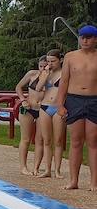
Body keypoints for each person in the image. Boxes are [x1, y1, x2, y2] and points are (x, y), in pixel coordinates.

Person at [58, 25, 97, 191]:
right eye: (82, 37)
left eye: (88, 37)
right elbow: (64, 81)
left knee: (93, 142)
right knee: (75, 142)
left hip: (94, 99)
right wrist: (60, 104)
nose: (85, 40)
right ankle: (74, 180)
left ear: (95, 39)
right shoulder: (70, 56)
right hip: (74, 100)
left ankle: (94, 182)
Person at [36, 50, 64, 178]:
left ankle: (57, 170)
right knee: (47, 140)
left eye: (53, 61)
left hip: (58, 107)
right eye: (48, 61)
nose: (50, 63)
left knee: (58, 140)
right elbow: (38, 88)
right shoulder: (45, 73)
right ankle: (47, 169)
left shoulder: (64, 73)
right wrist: (45, 75)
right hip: (45, 106)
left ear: (60, 60)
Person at [16, 56, 45, 175]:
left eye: (45, 66)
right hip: (28, 108)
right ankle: (23, 167)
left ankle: (36, 168)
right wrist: (23, 99)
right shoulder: (32, 74)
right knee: (26, 139)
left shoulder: (52, 77)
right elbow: (18, 87)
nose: (43, 68)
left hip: (42, 110)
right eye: (41, 66)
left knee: (40, 140)